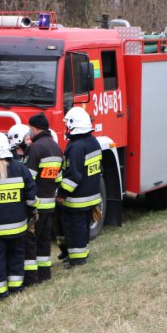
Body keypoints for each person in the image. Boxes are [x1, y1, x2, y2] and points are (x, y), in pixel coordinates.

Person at [0, 131, 39, 300]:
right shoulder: (20, 168)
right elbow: (31, 198)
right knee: (16, 256)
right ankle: (16, 288)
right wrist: (33, 210)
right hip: (18, 226)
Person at [57, 107, 102, 267]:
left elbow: (74, 176)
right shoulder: (93, 142)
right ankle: (81, 254)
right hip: (91, 194)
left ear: (73, 125)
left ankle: (78, 259)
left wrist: (61, 193)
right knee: (83, 227)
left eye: (67, 125)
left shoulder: (76, 147)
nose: (66, 128)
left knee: (75, 228)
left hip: (77, 198)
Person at [24, 112, 63, 284]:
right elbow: (58, 178)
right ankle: (45, 275)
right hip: (50, 204)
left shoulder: (35, 148)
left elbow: (28, 179)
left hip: (36, 205)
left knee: (31, 242)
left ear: (34, 128)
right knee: (44, 241)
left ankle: (31, 278)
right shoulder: (56, 147)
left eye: (30, 128)